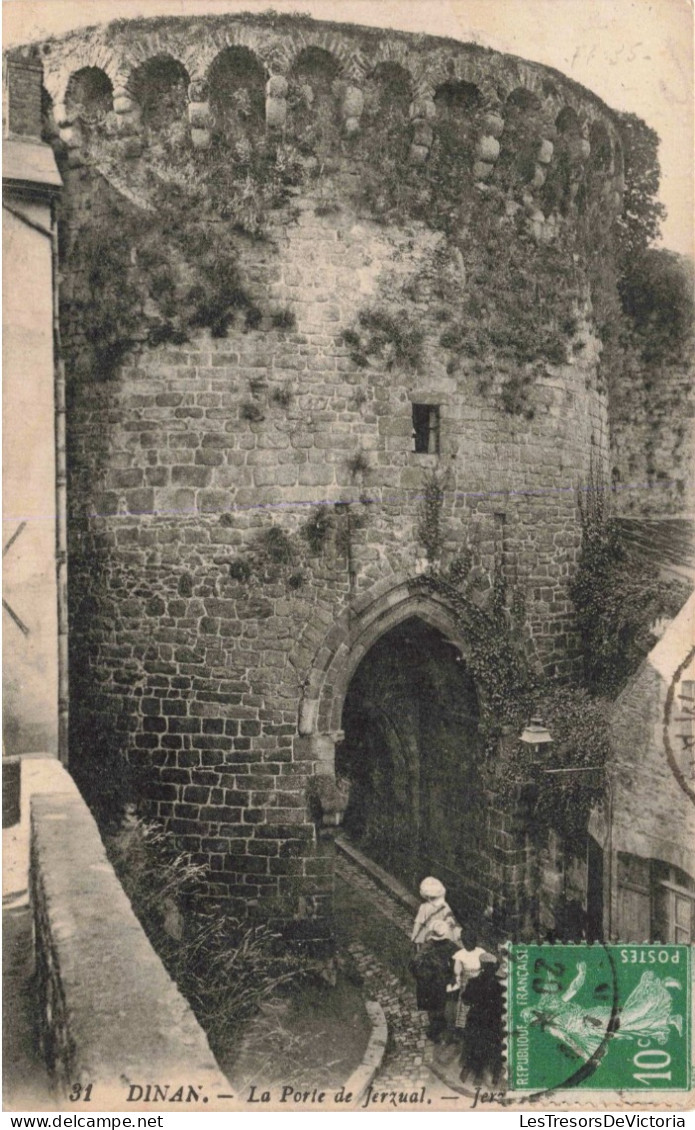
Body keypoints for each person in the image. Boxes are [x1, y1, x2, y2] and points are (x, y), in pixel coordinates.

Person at [410, 918, 459, 1043]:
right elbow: (457, 957)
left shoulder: (427, 946)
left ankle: (435, 1029)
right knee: (439, 1003)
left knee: (432, 1005)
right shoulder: (449, 946)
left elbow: (415, 962)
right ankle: (438, 1027)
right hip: (441, 980)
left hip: (429, 982)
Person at [460, 952, 504, 1086]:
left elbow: (465, 1000)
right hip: (494, 1021)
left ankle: (476, 1074)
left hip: (476, 1019)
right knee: (495, 1047)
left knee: (475, 1044)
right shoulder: (499, 985)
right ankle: (496, 1074)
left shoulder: (473, 982)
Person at [411, 876, 462, 951]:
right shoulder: (445, 905)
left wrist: (414, 937)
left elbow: (418, 923)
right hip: (443, 934)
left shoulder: (424, 907)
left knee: (425, 952)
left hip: (428, 934)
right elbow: (451, 919)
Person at [452, 928, 487, 1031]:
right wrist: (459, 979)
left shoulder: (480, 952)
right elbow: (457, 971)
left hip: (476, 981)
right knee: (468, 1003)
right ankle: (466, 1025)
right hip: (471, 981)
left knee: (474, 1003)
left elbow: (486, 965)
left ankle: (475, 1024)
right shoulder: (461, 954)